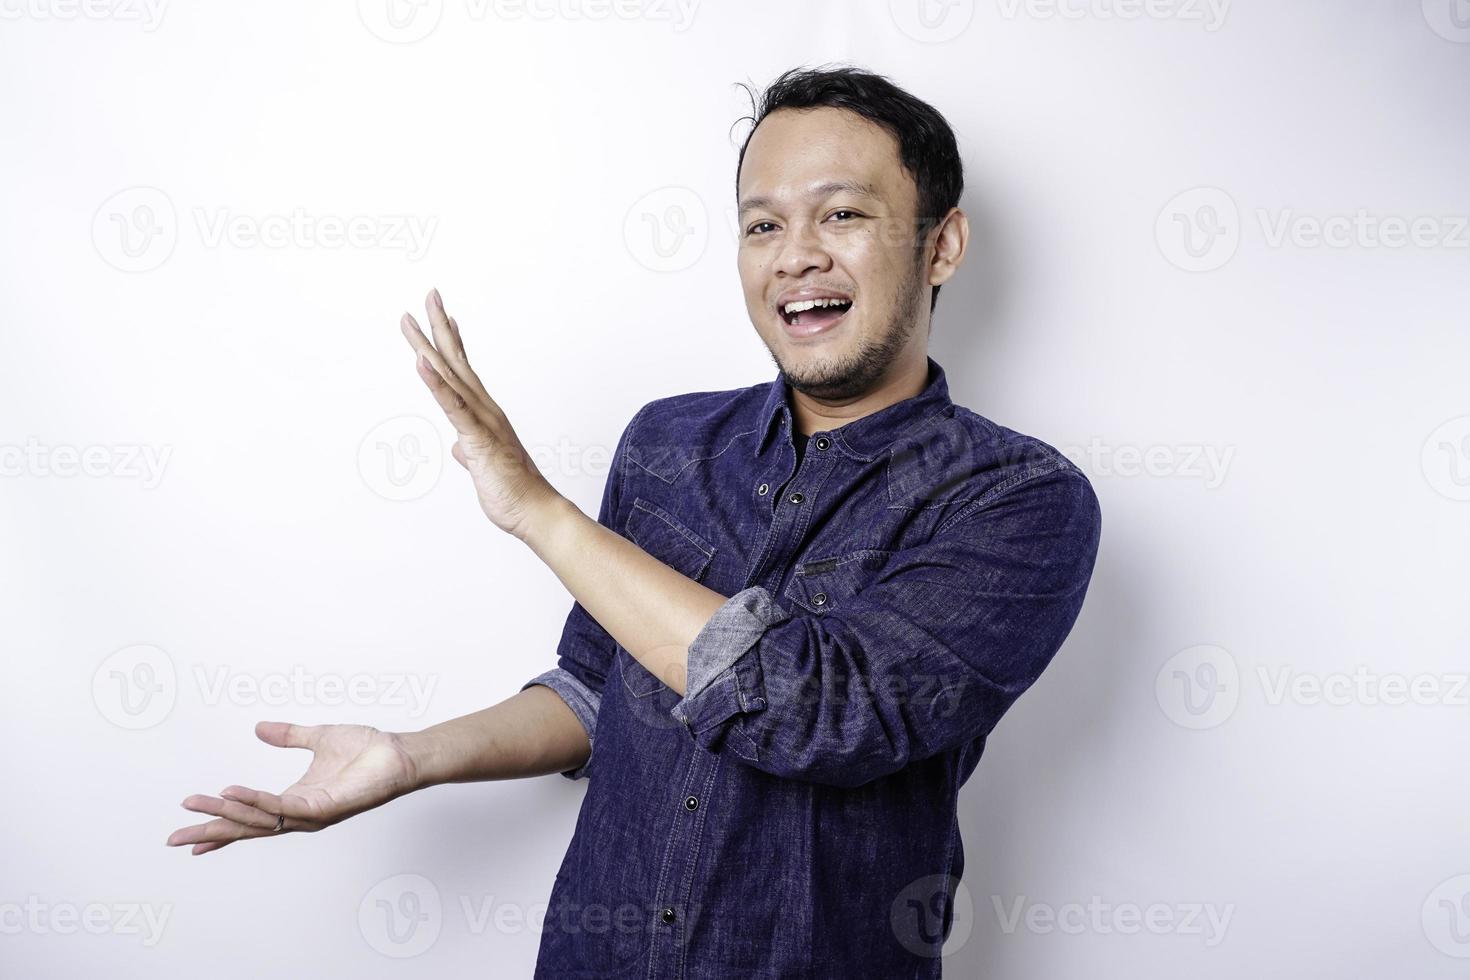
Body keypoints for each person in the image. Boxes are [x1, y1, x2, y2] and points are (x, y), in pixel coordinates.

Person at [167, 64, 1102, 977]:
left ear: (941, 246)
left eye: (843, 214)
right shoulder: (667, 443)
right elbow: (594, 689)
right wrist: (410, 759)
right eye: (762, 224)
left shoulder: (1017, 499)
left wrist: (541, 513)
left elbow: (824, 713)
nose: (796, 253)